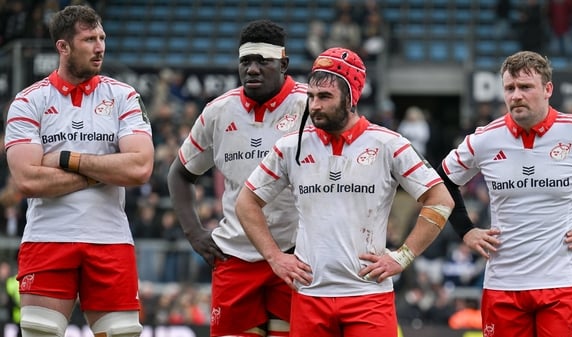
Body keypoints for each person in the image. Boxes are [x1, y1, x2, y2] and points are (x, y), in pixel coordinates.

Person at [235, 47, 455, 337]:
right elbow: (246, 202)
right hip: (309, 295)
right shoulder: (290, 146)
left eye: (325, 97)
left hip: (369, 298)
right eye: (311, 97)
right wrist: (274, 256)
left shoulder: (388, 143)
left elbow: (440, 199)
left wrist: (402, 256)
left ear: (351, 98)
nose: (314, 106)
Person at [3, 5, 154, 337]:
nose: (99, 47)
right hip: (48, 238)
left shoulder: (123, 96)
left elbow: (140, 166)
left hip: (110, 239)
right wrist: (107, 168)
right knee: (40, 333)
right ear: (63, 46)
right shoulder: (28, 102)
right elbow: (28, 179)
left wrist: (65, 159)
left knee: (122, 334)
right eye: (88, 39)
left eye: (102, 38)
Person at [437, 50, 572, 336]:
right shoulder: (485, 139)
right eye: (510, 88)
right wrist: (466, 231)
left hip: (562, 286)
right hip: (503, 288)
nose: (516, 96)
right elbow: (441, 182)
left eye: (525, 87)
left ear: (548, 89)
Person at [167, 19, 307, 337]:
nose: (253, 69)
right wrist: (194, 234)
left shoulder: (308, 107)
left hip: (295, 256)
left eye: (263, 61)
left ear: (283, 64)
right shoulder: (219, 111)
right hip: (235, 257)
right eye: (246, 61)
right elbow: (179, 173)